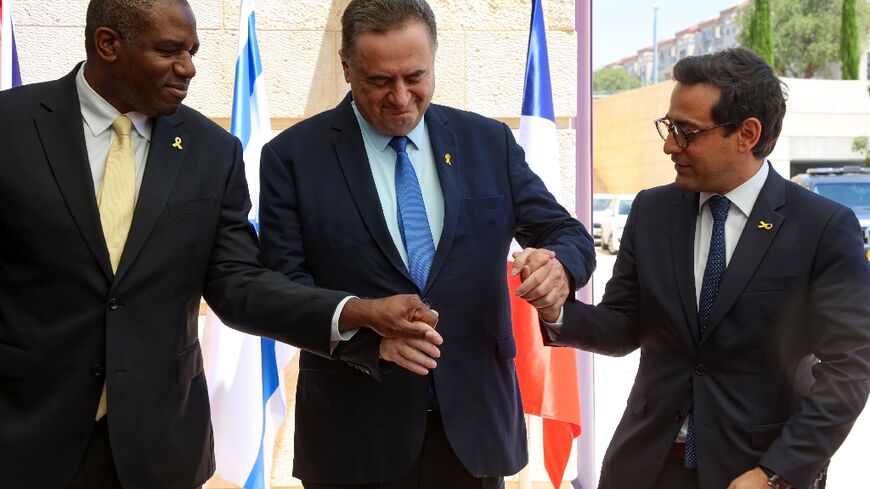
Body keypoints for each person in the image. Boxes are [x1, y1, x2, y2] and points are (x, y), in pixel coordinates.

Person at [0, 1, 442, 488]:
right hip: (23, 437)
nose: (189, 68)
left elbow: (239, 285)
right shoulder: (11, 128)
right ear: (108, 45)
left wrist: (356, 312)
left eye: (192, 51)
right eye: (170, 51)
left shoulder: (212, 152)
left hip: (160, 449)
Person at [257, 0, 595, 487]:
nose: (400, 97)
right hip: (354, 435)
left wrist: (560, 266)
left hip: (474, 433)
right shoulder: (293, 157)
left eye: (415, 76)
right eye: (379, 81)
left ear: (433, 59)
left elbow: (567, 234)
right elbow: (281, 291)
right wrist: (370, 336)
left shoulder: (487, 142)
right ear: (346, 66)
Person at [521, 48, 870, 489]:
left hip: (754, 472)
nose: (670, 145)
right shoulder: (652, 211)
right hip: (646, 467)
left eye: (687, 132)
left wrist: (775, 473)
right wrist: (556, 310)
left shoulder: (822, 228)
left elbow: (849, 369)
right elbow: (624, 325)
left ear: (747, 133)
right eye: (669, 127)